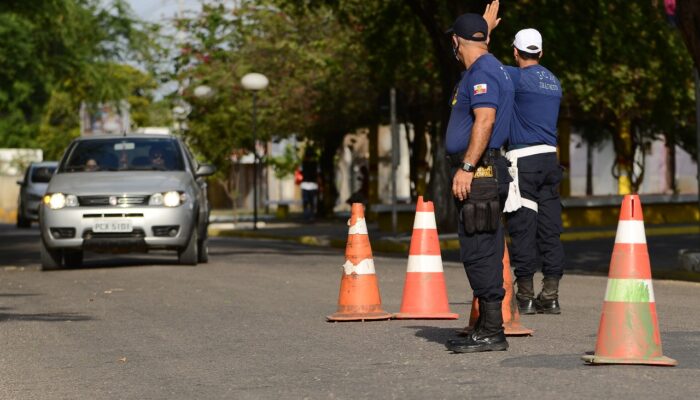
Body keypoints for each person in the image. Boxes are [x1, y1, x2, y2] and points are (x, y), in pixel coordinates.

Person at [484, 2, 565, 315]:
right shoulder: (554, 82)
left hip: (524, 162)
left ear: (516, 53)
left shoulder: (515, 77)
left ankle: (527, 296)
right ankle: (552, 295)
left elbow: (484, 65)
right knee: (550, 228)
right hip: (550, 161)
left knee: (523, 228)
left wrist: (486, 33)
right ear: (541, 53)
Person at [442, 13, 515, 353]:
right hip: (487, 173)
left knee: (479, 252)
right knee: (484, 248)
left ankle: (491, 331)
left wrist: (467, 167)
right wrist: (486, 31)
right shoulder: (490, 67)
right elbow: (479, 53)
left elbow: (485, 120)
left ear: (456, 42)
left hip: (481, 174)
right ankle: (486, 327)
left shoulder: (483, 71)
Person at [300, 149, 320, 222]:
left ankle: (307, 216)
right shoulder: (315, 164)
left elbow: (300, 172)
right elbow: (318, 174)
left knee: (306, 202)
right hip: (312, 185)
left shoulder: (303, 164)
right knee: (311, 203)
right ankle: (310, 216)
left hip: (306, 185)